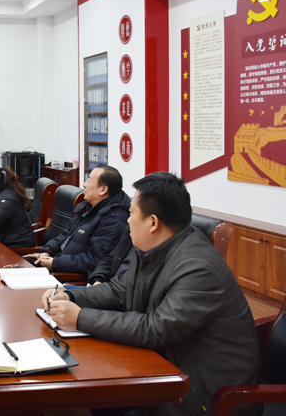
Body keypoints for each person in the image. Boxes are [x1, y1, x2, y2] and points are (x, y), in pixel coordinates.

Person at [43, 172, 261, 416]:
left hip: (201, 397)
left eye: (132, 214)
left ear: (153, 223)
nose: (127, 220)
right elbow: (120, 290)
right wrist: (71, 296)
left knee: (68, 400)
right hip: (163, 374)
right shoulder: (153, 249)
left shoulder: (198, 267)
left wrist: (80, 317)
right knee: (66, 398)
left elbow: (157, 329)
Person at [26, 164, 130, 275]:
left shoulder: (114, 220)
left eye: (89, 181)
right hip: (61, 261)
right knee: (21, 264)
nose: (84, 185)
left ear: (103, 189)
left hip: (70, 274)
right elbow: (66, 234)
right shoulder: (89, 207)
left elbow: (94, 260)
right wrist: (47, 251)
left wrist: (55, 263)